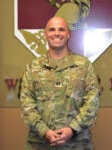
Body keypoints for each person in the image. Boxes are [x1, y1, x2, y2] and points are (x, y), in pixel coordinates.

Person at [20, 16, 100, 150]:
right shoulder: (33, 67)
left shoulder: (84, 66)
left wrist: (72, 129)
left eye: (61, 29)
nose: (57, 33)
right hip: (40, 144)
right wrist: (45, 131)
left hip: (77, 144)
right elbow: (26, 104)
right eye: (52, 29)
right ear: (45, 34)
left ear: (68, 34)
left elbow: (92, 103)